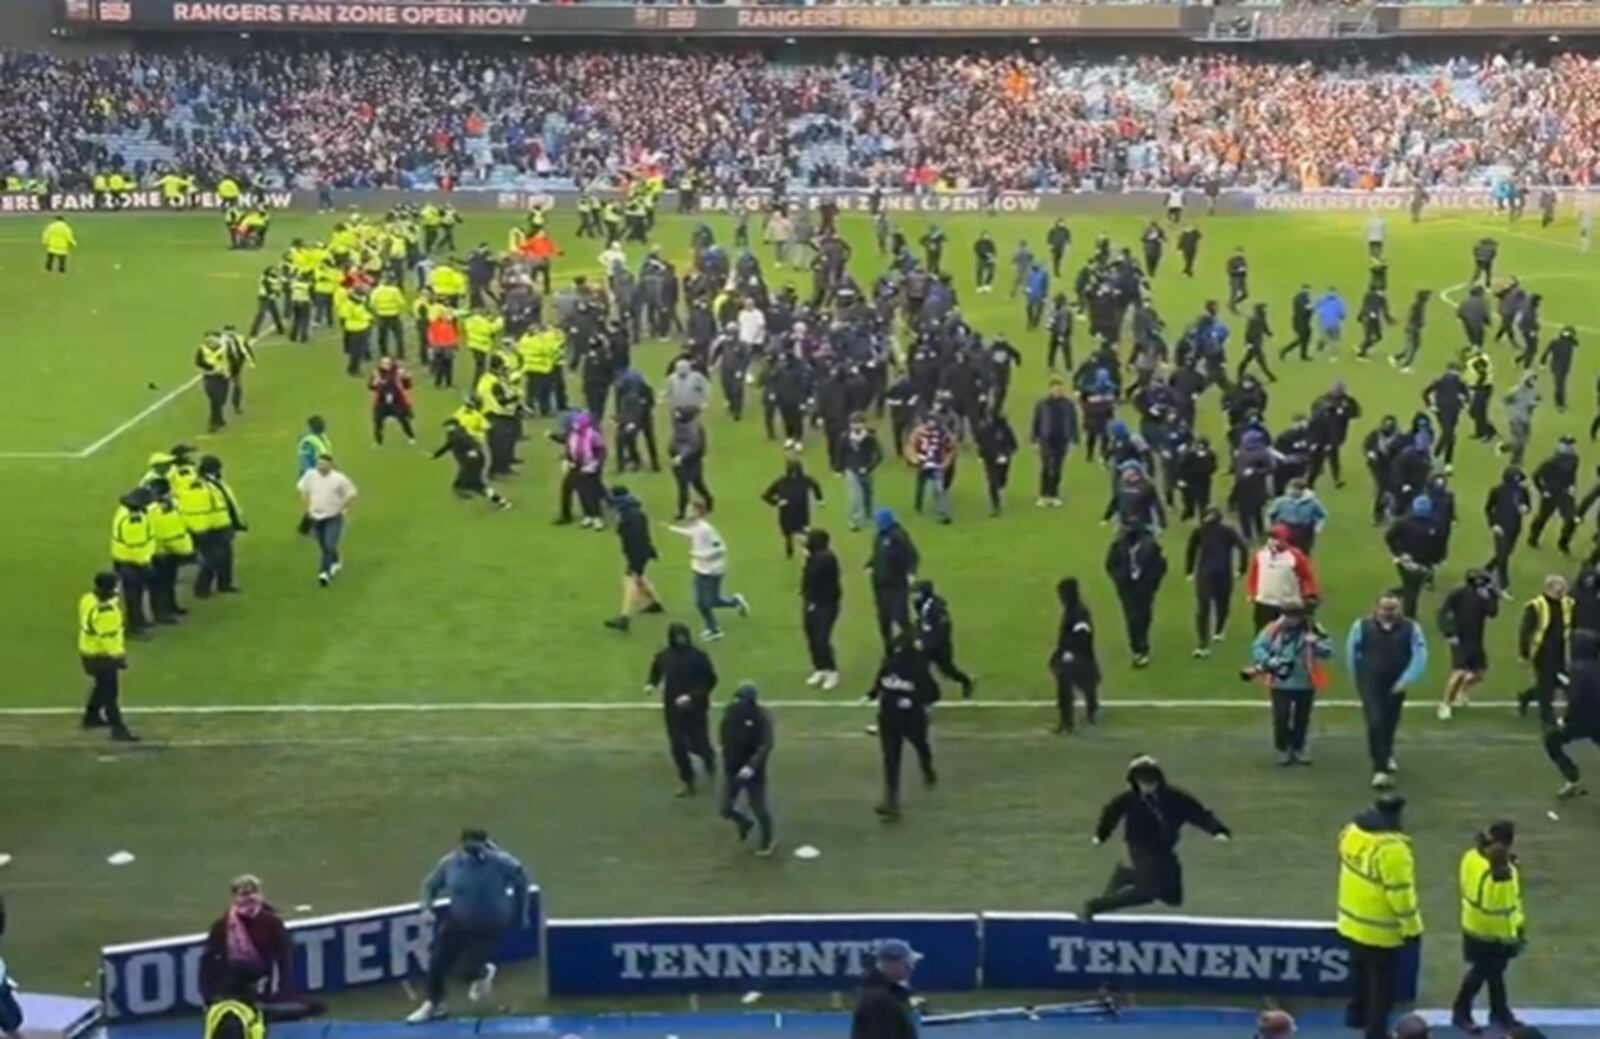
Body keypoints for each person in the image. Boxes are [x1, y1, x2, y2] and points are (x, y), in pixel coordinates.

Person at [1083, 755, 1230, 919]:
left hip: (1165, 851)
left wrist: (1217, 830)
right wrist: (1101, 835)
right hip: (1140, 849)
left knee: (1173, 897)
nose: (1146, 785)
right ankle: (1095, 906)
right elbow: (1111, 814)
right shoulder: (1129, 799)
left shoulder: (1175, 798)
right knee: (1148, 891)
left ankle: (1126, 875)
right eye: (1141, 781)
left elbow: (1198, 814)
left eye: (1150, 780)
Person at [407, 829, 531, 1023]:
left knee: (465, 971)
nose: (474, 852)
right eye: (469, 847)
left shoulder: (502, 862)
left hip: (490, 924)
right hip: (458, 920)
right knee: (437, 963)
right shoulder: (450, 864)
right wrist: (426, 908)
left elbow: (522, 883)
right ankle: (434, 1005)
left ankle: (482, 972)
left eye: (478, 847)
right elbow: (430, 885)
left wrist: (520, 912)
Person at [1336, 793, 1422, 1039]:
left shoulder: (1352, 832)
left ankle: (1355, 1015)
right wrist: (1412, 928)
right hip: (1380, 930)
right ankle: (1375, 1033)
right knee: (1380, 988)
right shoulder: (1393, 850)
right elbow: (1401, 895)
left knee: (1358, 974)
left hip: (1351, 921)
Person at [1347, 592, 1429, 789]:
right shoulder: (1361, 626)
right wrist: (1358, 679)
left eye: (1393, 608)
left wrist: (1406, 679)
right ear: (1376, 608)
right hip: (1370, 682)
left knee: (1390, 722)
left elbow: (1420, 655)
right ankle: (1380, 768)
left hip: (1396, 683)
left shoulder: (1411, 628)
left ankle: (1386, 752)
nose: (1388, 612)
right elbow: (1351, 652)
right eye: (1385, 608)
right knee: (1375, 721)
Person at [1452, 821, 1525, 1035]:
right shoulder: (1501, 876)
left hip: (1473, 925)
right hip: (1495, 933)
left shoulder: (1471, 858)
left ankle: (1499, 1011)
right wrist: (1514, 936)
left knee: (1494, 973)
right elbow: (1505, 907)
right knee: (1483, 972)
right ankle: (1461, 1011)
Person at [866, 634, 940, 822]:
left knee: (920, 745)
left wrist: (914, 701)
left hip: (911, 719)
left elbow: (932, 693)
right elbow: (879, 682)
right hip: (889, 719)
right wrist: (872, 694)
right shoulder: (889, 664)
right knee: (891, 759)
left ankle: (927, 766)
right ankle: (891, 801)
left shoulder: (917, 668)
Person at [1247, 605, 1333, 765]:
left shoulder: (1314, 629)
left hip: (1306, 681)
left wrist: (1316, 644)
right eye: (1289, 616)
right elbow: (1258, 647)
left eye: (1296, 616)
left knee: (1302, 718)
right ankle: (1283, 748)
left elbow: (1328, 651)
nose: (1292, 620)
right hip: (1280, 681)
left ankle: (1298, 748)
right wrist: (1269, 661)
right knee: (1281, 717)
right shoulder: (1273, 629)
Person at [646, 622, 719, 795]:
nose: (681, 640)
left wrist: (692, 697)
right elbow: (656, 669)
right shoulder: (664, 656)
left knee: (699, 742)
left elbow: (710, 679)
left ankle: (708, 757)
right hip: (673, 709)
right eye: (677, 637)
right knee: (677, 745)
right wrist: (651, 683)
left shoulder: (699, 657)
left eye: (683, 636)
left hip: (696, 708)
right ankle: (688, 780)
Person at [200, 875, 292, 1004]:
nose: (250, 898)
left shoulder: (272, 923)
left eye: (254, 892)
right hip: (231, 986)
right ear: (234, 898)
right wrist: (208, 995)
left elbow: (284, 960)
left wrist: (282, 992)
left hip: (264, 984)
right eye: (244, 894)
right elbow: (208, 962)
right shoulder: (222, 926)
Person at [667, 502, 749, 642]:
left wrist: (701, 555)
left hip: (711, 570)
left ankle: (714, 629)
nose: (686, 512)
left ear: (698, 512)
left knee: (702, 603)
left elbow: (720, 548)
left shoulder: (706, 529)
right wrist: (672, 529)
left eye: (690, 509)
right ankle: (735, 602)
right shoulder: (696, 527)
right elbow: (690, 533)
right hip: (701, 569)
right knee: (713, 600)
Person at [719, 681, 777, 857]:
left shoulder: (761, 717)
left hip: (753, 772)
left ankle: (768, 840)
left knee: (759, 807)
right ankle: (744, 822)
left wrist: (752, 766)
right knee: (725, 808)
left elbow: (766, 745)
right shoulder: (730, 712)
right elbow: (724, 734)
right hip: (732, 766)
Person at [78, 571, 134, 742]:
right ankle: (118, 729)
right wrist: (118, 657)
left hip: (87, 649)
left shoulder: (88, 599)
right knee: (110, 692)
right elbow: (108, 638)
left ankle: (91, 716)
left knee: (101, 686)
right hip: (101, 655)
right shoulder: (106, 611)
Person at [1436, 569, 1498, 720]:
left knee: (1479, 673)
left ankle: (1461, 692)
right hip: (1459, 639)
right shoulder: (1458, 594)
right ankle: (1445, 705)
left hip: (1475, 639)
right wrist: (1449, 633)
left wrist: (1491, 597)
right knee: (1459, 671)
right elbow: (1442, 613)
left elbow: (1492, 613)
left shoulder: (1485, 596)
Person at [1546, 628, 1600, 798]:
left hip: (1582, 721)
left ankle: (1572, 779)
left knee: (1551, 740)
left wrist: (1566, 720)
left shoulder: (1577, 670)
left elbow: (1577, 700)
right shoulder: (1596, 667)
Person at [1186, 507, 1248, 656]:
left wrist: (1241, 568)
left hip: (1221, 573)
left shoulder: (1227, 531)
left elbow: (1242, 548)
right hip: (1207, 573)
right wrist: (1189, 570)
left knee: (1222, 603)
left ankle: (1218, 629)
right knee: (1204, 607)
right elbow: (1191, 549)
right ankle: (1203, 643)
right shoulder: (1200, 531)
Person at [1105, 523, 1166, 668]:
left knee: (1144, 615)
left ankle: (1142, 640)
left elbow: (1161, 566)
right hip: (1127, 587)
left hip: (1145, 587)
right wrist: (1119, 579)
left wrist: (1153, 583)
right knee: (1132, 617)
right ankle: (1139, 648)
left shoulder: (1150, 546)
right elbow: (1110, 564)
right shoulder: (1118, 546)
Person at [1517, 574, 1573, 726]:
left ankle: (1527, 697)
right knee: (1549, 686)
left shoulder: (1567, 603)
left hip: (1562, 651)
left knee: (1560, 683)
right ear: (1549, 589)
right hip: (1542, 653)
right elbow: (1525, 631)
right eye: (1559, 589)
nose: (1563, 592)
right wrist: (1524, 653)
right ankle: (1547, 718)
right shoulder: (1536, 606)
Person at [296, 454, 357, 587]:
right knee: (323, 544)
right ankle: (335, 560)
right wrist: (307, 507)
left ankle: (324, 573)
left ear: (330, 465)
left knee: (329, 543)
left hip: (333, 517)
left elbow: (350, 493)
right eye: (319, 464)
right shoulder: (310, 475)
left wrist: (342, 508)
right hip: (315, 517)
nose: (320, 466)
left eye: (323, 464)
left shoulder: (338, 479)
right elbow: (304, 490)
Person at [1050, 577, 1100, 733]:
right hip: (1075, 655)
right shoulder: (1073, 610)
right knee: (1081, 684)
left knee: (1068, 683)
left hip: (1078, 657)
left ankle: (1068, 720)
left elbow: (1083, 634)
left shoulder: (1078, 613)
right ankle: (1087, 709)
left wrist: (1070, 653)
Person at [1245, 524, 1320, 629]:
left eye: (1275, 538)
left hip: (1288, 607)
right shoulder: (1260, 554)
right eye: (1270, 537)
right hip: (1264, 604)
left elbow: (1307, 577)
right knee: (1263, 636)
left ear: (1284, 539)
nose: (1272, 541)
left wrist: (1310, 594)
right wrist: (1252, 592)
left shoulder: (1295, 556)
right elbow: (1253, 574)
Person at [868, 507, 919, 652]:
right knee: (884, 619)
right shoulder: (879, 536)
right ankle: (889, 649)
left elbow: (913, 555)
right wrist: (870, 564)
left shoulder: (899, 535)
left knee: (900, 616)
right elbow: (877, 554)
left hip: (896, 584)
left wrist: (911, 573)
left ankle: (917, 642)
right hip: (880, 585)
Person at [432, 417, 510, 511]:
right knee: (462, 484)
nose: (446, 429)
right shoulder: (454, 434)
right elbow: (449, 445)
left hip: (472, 463)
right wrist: (436, 455)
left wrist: (473, 451)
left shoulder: (458, 435)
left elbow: (472, 443)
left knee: (476, 486)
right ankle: (466, 493)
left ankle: (501, 502)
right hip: (470, 463)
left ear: (453, 426)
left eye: (448, 427)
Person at [913, 580, 974, 699]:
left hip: (939, 647)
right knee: (918, 668)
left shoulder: (937, 608)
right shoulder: (919, 604)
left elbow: (944, 629)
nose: (914, 596)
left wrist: (928, 643)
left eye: (917, 593)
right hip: (927, 644)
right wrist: (919, 637)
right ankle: (926, 694)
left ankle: (966, 681)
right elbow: (921, 621)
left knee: (947, 671)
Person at [849, 939, 918, 1039]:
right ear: (891, 964)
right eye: (907, 963)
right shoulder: (879, 1000)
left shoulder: (884, 995)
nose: (911, 968)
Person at [800, 529, 842, 691]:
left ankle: (831, 671)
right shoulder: (816, 557)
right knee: (811, 636)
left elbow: (814, 574)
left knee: (822, 638)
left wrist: (808, 559)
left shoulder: (826, 559)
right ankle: (820, 668)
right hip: (812, 602)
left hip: (826, 604)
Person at [762, 459, 824, 559]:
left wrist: (820, 499)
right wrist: (777, 502)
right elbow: (765, 495)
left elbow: (815, 486)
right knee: (789, 531)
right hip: (788, 512)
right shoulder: (782, 482)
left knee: (802, 532)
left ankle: (807, 549)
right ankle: (790, 546)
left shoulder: (804, 480)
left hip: (801, 511)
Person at [839, 414, 884, 532]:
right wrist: (840, 469)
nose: (856, 425)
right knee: (855, 497)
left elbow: (879, 455)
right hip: (851, 471)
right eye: (853, 423)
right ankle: (853, 520)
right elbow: (840, 453)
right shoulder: (845, 437)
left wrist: (869, 468)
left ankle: (869, 513)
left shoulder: (870, 438)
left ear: (864, 424)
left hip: (866, 471)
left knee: (868, 493)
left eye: (859, 423)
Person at [670, 406, 714, 520]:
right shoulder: (679, 425)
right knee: (682, 487)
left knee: (697, 484)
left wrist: (681, 456)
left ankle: (709, 499)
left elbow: (694, 446)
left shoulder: (694, 429)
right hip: (679, 461)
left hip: (692, 461)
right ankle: (681, 511)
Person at [368, 357, 415, 446]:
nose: (386, 365)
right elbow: (371, 387)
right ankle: (378, 441)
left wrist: (406, 378)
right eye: (383, 363)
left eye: (387, 363)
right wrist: (375, 381)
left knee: (403, 419)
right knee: (377, 421)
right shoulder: (376, 374)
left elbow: (407, 386)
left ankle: (411, 437)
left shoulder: (398, 373)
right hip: (382, 402)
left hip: (396, 401)